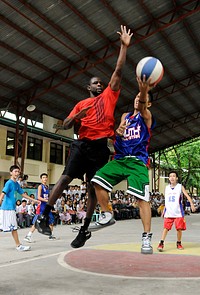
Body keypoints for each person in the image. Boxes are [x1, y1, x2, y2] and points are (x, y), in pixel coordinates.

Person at [35, 25, 133, 247]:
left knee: (92, 187)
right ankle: (44, 215)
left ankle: (85, 228)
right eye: (96, 83)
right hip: (81, 145)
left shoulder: (109, 95)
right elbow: (66, 124)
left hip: (100, 148)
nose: (100, 84)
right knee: (65, 178)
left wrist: (123, 47)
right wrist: (78, 114)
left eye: (101, 82)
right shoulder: (81, 103)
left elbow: (117, 71)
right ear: (88, 87)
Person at [91, 75, 155, 254]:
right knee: (97, 180)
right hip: (120, 158)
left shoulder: (146, 116)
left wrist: (144, 89)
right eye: (136, 97)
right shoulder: (125, 116)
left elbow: (142, 105)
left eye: (142, 99)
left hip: (137, 161)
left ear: (147, 104)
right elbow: (116, 137)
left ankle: (146, 236)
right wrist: (117, 133)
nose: (138, 99)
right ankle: (106, 214)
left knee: (142, 199)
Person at [0, 165, 38, 251]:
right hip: (7, 208)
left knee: (12, 228)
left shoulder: (16, 184)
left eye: (18, 172)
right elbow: (2, 194)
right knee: (13, 227)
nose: (17, 173)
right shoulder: (9, 183)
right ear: (11, 173)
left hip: (11, 208)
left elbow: (23, 194)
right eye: (15, 171)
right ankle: (18, 246)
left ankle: (18, 245)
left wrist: (34, 200)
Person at [157, 171, 196, 252]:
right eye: (170, 176)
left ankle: (179, 243)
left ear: (177, 178)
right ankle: (161, 243)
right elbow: (166, 200)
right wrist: (164, 210)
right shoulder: (167, 187)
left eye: (174, 176)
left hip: (178, 211)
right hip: (169, 212)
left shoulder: (180, 187)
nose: (172, 177)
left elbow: (187, 195)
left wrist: (192, 204)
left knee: (179, 228)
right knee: (166, 228)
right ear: (169, 178)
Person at [24, 173, 56, 242]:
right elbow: (38, 197)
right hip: (41, 206)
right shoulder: (40, 187)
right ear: (41, 179)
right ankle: (28, 236)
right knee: (37, 221)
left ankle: (51, 235)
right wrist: (47, 200)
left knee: (51, 220)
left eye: (46, 177)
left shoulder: (47, 187)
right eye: (43, 177)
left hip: (47, 206)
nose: (45, 178)